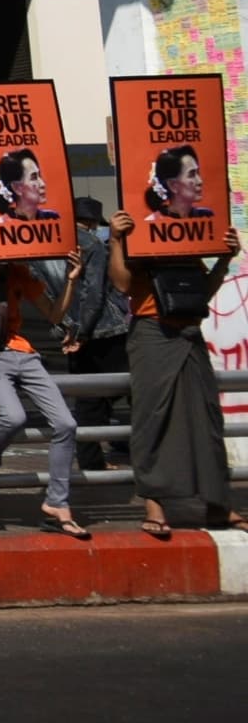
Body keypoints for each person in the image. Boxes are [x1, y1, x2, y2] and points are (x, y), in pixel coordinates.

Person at [108, 210, 243, 536]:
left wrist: (225, 259)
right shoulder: (139, 228)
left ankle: (216, 503)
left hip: (189, 334)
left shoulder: (185, 232)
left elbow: (202, 293)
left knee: (207, 417)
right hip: (152, 333)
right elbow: (123, 284)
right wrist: (115, 239)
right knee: (152, 418)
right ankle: (154, 502)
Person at [0, 248, 89, 537]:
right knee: (14, 417)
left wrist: (71, 280)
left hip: (23, 352)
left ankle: (57, 503)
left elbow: (54, 313)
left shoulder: (18, 273)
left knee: (66, 423)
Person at [63, 197, 131, 470]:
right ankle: (139, 449)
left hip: (72, 329)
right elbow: (95, 293)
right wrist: (85, 331)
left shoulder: (57, 246)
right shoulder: (94, 246)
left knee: (88, 397)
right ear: (92, 222)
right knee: (128, 388)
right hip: (104, 330)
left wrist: (71, 330)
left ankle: (91, 459)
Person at [143, 144, 214, 220]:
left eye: (198, 173)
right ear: (173, 185)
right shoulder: (153, 221)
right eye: (191, 175)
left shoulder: (206, 216)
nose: (200, 181)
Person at [0, 149, 60, 224]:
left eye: (39, 175)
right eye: (34, 177)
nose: (42, 184)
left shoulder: (52, 218)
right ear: (17, 188)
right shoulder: (2, 224)